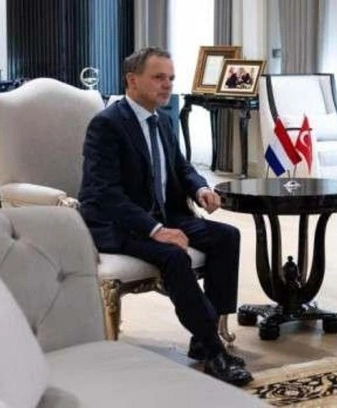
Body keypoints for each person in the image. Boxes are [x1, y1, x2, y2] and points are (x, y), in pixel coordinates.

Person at [78, 47, 252, 386]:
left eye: (171, 78)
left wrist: (200, 189)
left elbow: (181, 167)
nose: (168, 85)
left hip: (163, 212)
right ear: (132, 80)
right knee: (173, 255)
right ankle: (214, 351)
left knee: (226, 237)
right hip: (118, 223)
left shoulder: (162, 120)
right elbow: (104, 193)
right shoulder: (107, 125)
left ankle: (202, 337)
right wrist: (156, 229)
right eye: (158, 77)